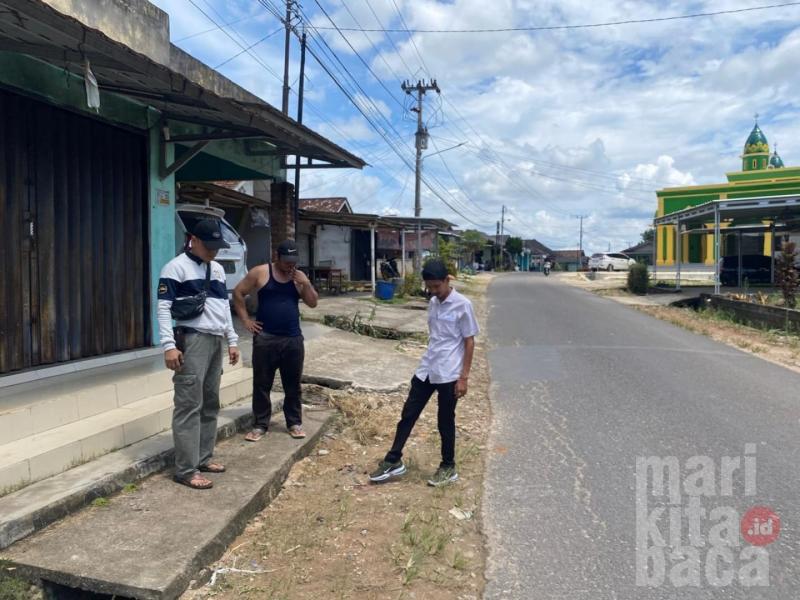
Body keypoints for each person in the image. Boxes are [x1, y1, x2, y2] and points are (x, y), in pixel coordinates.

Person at [369, 259, 479, 487]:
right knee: (408, 413)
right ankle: (393, 460)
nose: (433, 291)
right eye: (430, 287)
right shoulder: (433, 303)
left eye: (437, 286)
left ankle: (448, 467)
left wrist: (464, 377)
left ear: (448, 280)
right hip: (427, 368)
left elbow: (469, 342)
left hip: (449, 373)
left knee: (445, 421)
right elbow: (435, 336)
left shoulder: (463, 305)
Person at [157, 218, 240, 490]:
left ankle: (203, 457)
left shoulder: (216, 269)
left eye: (217, 246)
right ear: (193, 240)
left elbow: (223, 307)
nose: (214, 251)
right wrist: (168, 345)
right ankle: (186, 469)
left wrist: (232, 339)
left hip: (215, 340)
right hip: (191, 341)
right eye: (209, 246)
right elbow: (163, 308)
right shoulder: (175, 267)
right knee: (189, 404)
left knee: (211, 402)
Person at [233, 239, 318, 442]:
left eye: (293, 261)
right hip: (265, 338)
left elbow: (313, 303)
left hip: (292, 339)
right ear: (277, 257)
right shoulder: (260, 272)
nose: (290, 265)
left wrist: (305, 283)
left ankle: (294, 423)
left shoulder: (298, 278)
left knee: (293, 384)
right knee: (262, 384)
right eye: (286, 261)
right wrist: (245, 320)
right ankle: (260, 425)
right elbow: (238, 292)